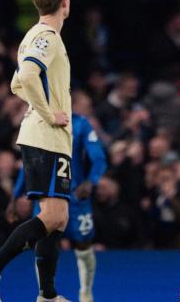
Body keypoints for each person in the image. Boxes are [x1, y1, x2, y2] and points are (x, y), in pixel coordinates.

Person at [0, 0, 74, 302]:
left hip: (48, 137)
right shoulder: (47, 36)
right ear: (64, 3)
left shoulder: (34, 36)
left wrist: (41, 106)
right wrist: (50, 113)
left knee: (57, 219)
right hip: (46, 136)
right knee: (55, 216)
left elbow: (18, 83)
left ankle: (47, 294)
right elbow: (29, 76)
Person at [11, 111, 107, 302]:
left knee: (83, 243)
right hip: (46, 194)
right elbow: (28, 163)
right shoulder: (37, 119)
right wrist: (15, 196)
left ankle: (86, 293)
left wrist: (91, 181)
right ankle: (45, 295)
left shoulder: (80, 123)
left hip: (75, 195)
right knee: (43, 243)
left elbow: (98, 156)